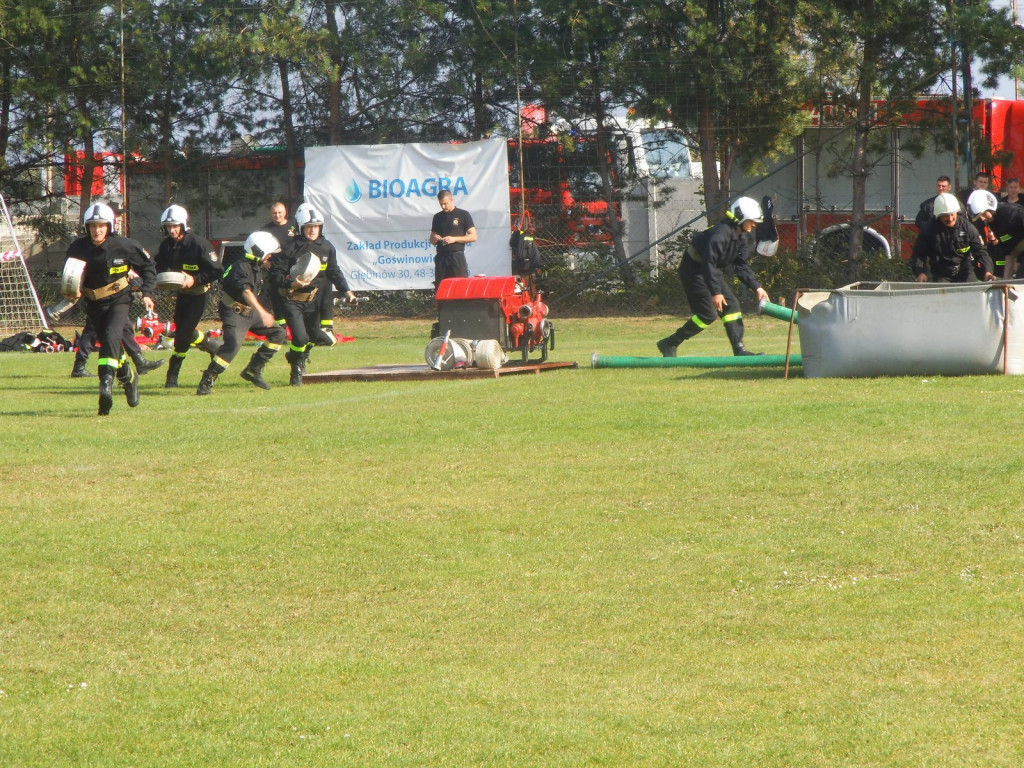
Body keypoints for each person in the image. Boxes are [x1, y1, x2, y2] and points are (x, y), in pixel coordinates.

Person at [62, 202, 156, 415]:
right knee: (112, 347)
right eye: (93, 225)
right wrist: (71, 290)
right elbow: (69, 276)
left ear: (110, 226)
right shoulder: (78, 248)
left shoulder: (124, 246)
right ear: (87, 227)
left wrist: (147, 293)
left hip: (119, 301)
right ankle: (129, 378)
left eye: (102, 225)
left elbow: (149, 266)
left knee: (112, 339)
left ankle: (105, 384)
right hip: (94, 304)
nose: (97, 230)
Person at [656, 196, 770, 357]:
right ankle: (670, 343)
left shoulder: (742, 237)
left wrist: (756, 287)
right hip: (694, 270)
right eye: (752, 220)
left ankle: (739, 350)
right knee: (707, 314)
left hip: (710, 270)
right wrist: (716, 292)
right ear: (741, 217)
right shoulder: (721, 234)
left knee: (732, 306)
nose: (754, 224)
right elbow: (708, 262)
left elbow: (740, 265)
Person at [269, 203, 356, 386]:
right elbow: (275, 274)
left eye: (316, 226)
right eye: (308, 227)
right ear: (301, 227)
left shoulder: (326, 247)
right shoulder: (289, 247)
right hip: (292, 300)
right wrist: (290, 283)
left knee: (314, 337)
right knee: (299, 337)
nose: (312, 230)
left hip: (314, 302)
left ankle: (294, 356)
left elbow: (334, 271)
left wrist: (347, 291)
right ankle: (296, 370)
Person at [195, 231, 288, 395]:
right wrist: (264, 313)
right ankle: (207, 380)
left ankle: (253, 369)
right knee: (232, 346)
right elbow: (246, 292)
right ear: (259, 252)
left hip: (249, 312)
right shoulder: (241, 266)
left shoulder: (256, 267)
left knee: (279, 333)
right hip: (235, 311)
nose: (270, 259)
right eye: (269, 255)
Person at [154, 204, 224, 388]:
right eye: (169, 227)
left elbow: (217, 271)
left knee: (183, 334)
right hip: (181, 294)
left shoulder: (199, 244)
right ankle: (210, 344)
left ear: (184, 225)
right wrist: (157, 279)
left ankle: (172, 374)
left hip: (199, 295)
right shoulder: (166, 245)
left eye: (175, 226)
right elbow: (158, 265)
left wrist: (195, 279)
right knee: (182, 332)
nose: (172, 230)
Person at [911, 192, 995, 283]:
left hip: (965, 272)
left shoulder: (967, 227)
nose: (950, 219)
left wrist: (988, 271)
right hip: (941, 274)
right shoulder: (929, 230)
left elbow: (981, 251)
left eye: (952, 214)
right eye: (946, 216)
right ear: (939, 215)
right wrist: (920, 272)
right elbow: (919, 254)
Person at [966, 189, 1024, 278]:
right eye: (979, 217)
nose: (982, 219)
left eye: (983, 214)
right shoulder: (994, 223)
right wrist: (1006, 281)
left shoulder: (1013, 213)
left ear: (990, 208)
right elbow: (1009, 253)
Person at [429, 189, 476, 290]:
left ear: (452, 200)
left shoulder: (463, 214)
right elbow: (431, 239)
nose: (443, 207)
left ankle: (461, 305)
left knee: (460, 287)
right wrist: (435, 238)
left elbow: (473, 236)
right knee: (441, 287)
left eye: (445, 203)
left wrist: (454, 239)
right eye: (441, 204)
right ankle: (442, 306)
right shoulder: (437, 217)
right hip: (441, 257)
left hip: (457, 256)